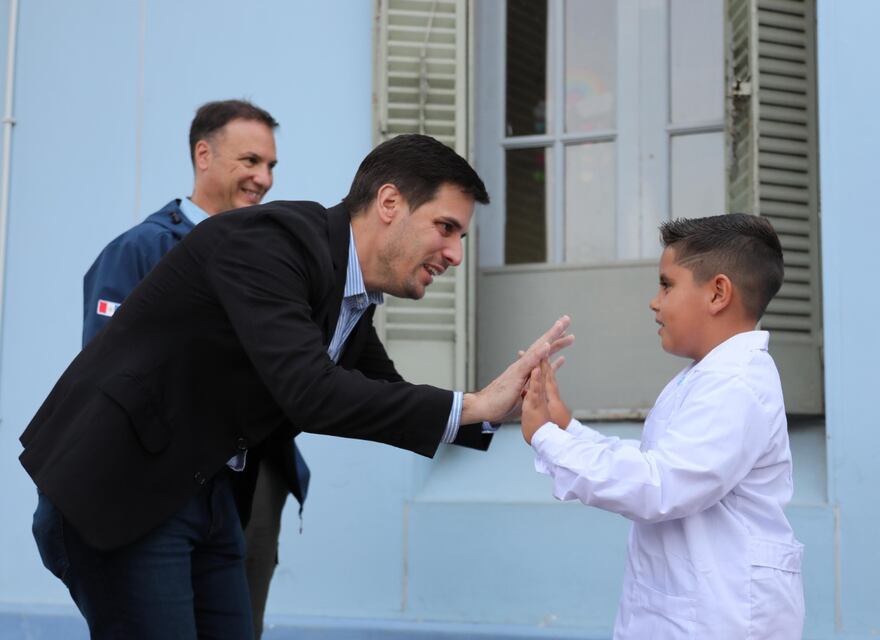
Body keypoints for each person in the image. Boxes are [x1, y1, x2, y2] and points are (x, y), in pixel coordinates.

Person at [22, 133, 573, 639]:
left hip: (206, 494)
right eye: (445, 227)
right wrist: (472, 405)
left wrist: (498, 409)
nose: (455, 254)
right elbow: (311, 392)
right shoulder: (271, 244)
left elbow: (383, 391)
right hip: (121, 490)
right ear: (389, 203)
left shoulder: (350, 292)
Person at [521, 213, 804, 639]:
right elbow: (654, 463)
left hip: (721, 619)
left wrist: (545, 438)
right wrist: (565, 427)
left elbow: (658, 486)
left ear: (718, 293)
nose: (654, 302)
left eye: (667, 285)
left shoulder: (737, 383)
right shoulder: (704, 376)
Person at [81, 98, 304, 639]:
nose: (264, 178)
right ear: (204, 155)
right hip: (163, 487)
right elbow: (108, 376)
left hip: (251, 482)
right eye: (250, 161)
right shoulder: (141, 249)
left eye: (271, 165)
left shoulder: (269, 261)